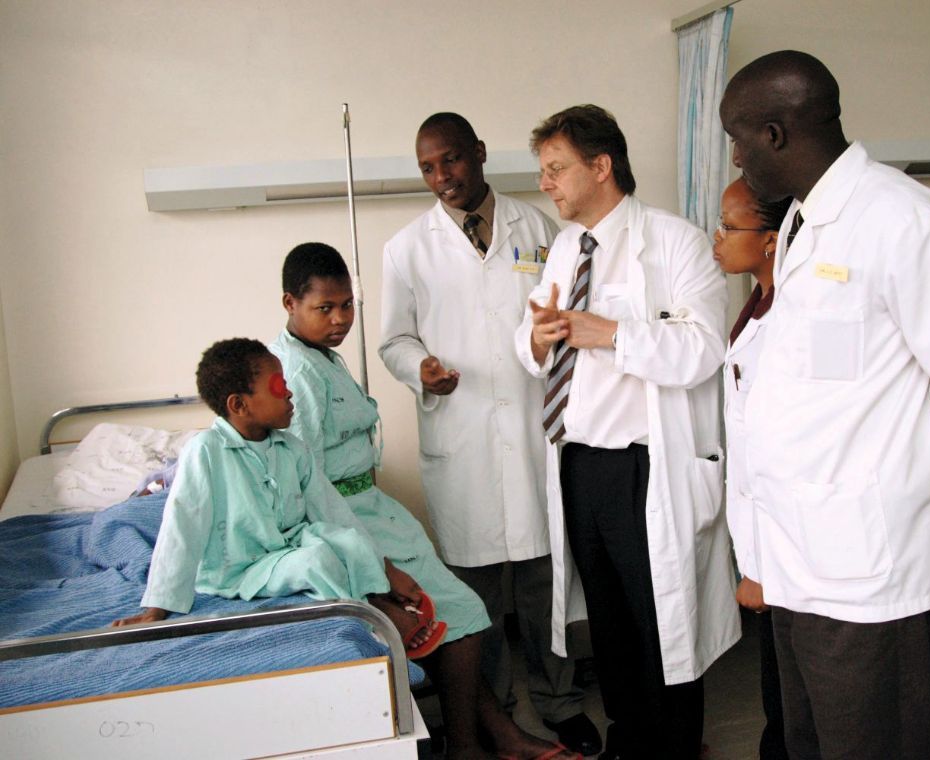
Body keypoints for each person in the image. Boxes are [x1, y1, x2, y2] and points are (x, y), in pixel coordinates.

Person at [720, 51, 930, 759]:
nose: (733, 154)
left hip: (874, 566)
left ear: (774, 134)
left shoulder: (900, 219)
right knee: (813, 743)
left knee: (877, 744)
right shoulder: (799, 226)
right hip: (801, 557)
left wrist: (929, 494)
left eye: (737, 138)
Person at [266, 253, 581, 760]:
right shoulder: (297, 373)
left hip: (369, 508)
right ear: (290, 303)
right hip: (348, 520)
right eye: (325, 308)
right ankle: (470, 747)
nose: (341, 319)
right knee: (462, 614)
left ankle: (495, 736)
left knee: (450, 620)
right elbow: (304, 486)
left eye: (347, 306)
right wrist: (374, 568)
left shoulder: (320, 355)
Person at [516, 104, 740, 760]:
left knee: (658, 620)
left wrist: (608, 332)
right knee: (609, 622)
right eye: (543, 172)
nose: (546, 184)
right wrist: (535, 334)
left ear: (601, 166)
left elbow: (704, 349)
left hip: (647, 466)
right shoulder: (564, 248)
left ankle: (672, 745)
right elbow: (534, 335)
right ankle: (627, 737)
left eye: (556, 170)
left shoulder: (674, 242)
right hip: (579, 462)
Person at [378, 114, 600, 756]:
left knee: (543, 582)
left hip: (534, 429)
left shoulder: (538, 229)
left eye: (450, 160)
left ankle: (560, 701)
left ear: (478, 154)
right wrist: (418, 369)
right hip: (462, 436)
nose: (441, 177)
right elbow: (394, 338)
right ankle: (500, 711)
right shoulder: (406, 249)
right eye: (427, 167)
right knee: (475, 593)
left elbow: (561, 315)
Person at [715, 177, 792, 760]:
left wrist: (761, 567)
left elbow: (777, 451)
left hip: (790, 537)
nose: (717, 240)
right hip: (769, 535)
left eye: (729, 227)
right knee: (781, 688)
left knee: (795, 695)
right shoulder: (758, 300)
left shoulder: (790, 310)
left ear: (771, 240)